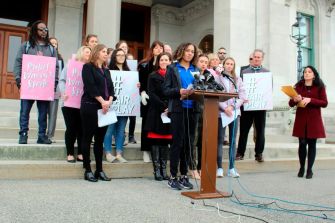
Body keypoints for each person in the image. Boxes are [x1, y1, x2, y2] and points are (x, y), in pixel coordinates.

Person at [14, 20, 58, 144]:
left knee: (43, 113)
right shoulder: (26, 46)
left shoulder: (51, 49)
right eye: (41, 29)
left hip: (44, 87)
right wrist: (18, 80)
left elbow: (55, 67)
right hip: (28, 85)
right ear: (35, 30)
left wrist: (53, 83)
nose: (44, 32)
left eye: (46, 29)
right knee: (24, 111)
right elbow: (18, 62)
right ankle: (23, 134)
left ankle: (41, 136)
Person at [163, 42, 199, 190]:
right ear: (182, 51)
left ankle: (184, 176)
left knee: (188, 145)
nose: (190, 53)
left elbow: (199, 88)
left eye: (192, 51)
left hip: (192, 109)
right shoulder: (172, 68)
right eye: (187, 50)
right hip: (178, 109)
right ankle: (172, 177)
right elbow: (165, 90)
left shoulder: (195, 70)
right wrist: (179, 92)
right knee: (177, 143)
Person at [81, 44, 115, 182]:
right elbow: (91, 87)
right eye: (103, 51)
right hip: (90, 107)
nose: (106, 54)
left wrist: (109, 101)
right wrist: (102, 101)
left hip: (105, 108)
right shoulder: (88, 67)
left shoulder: (106, 71)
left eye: (107, 52)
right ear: (96, 53)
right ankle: (87, 170)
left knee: (100, 140)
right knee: (87, 138)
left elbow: (111, 88)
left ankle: (99, 170)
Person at [289, 66, 327, 179]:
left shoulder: (320, 87)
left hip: (314, 120)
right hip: (301, 119)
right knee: (301, 144)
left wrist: (311, 100)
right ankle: (301, 167)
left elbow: (324, 103)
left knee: (312, 145)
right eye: (305, 72)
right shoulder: (298, 86)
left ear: (314, 75)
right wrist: (294, 100)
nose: (306, 73)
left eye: (309, 72)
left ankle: (309, 169)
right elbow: (290, 103)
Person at [214, 57, 246, 178]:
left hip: (234, 113)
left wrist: (232, 107)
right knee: (220, 140)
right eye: (227, 63)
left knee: (233, 140)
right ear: (223, 65)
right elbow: (215, 95)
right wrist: (224, 108)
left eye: (231, 64)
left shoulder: (237, 79)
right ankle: (220, 168)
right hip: (221, 113)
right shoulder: (217, 78)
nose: (229, 66)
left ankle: (232, 168)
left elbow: (242, 96)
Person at [236, 49, 269, 162]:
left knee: (260, 131)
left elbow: (269, 90)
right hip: (247, 106)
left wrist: (266, 101)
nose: (256, 59)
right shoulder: (244, 72)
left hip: (260, 106)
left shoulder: (266, 72)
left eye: (259, 57)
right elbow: (240, 88)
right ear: (252, 57)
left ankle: (259, 153)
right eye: (255, 57)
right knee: (244, 131)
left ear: (262, 59)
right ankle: (240, 153)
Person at [59, 46, 91, 162]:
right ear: (81, 52)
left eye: (90, 53)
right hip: (68, 102)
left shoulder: (89, 67)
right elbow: (62, 80)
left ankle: (81, 153)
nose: (89, 54)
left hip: (83, 103)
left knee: (82, 128)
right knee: (71, 127)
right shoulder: (71, 65)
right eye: (87, 52)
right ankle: (70, 153)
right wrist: (63, 92)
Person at [144, 52, 172, 181]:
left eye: (166, 60)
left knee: (165, 141)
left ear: (170, 62)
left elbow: (175, 92)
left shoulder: (173, 76)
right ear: (158, 62)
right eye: (162, 60)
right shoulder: (152, 76)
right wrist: (163, 106)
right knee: (156, 140)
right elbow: (152, 93)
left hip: (169, 111)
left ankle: (164, 170)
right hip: (156, 111)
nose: (164, 62)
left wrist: (169, 106)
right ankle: (157, 171)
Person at [103, 48, 133, 163]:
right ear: (114, 57)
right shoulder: (108, 70)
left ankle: (119, 153)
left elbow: (131, 88)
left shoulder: (129, 71)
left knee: (121, 130)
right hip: (112, 105)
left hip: (124, 105)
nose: (121, 57)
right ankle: (108, 153)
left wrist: (137, 85)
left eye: (123, 55)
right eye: (118, 55)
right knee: (109, 130)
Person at [138, 41, 164, 162]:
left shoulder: (164, 65)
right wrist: (142, 92)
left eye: (161, 48)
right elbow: (141, 82)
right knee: (146, 126)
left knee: (158, 126)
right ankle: (145, 151)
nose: (158, 50)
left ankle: (156, 151)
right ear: (152, 50)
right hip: (147, 99)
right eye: (156, 47)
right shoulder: (145, 65)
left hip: (160, 101)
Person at [115, 40, 136, 144]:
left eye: (126, 48)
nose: (124, 49)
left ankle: (127, 137)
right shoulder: (112, 66)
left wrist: (136, 84)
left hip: (126, 98)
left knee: (126, 120)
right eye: (122, 47)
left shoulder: (129, 66)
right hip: (115, 98)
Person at [192, 54, 209, 180]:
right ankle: (192, 168)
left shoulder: (209, 76)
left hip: (207, 111)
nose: (203, 64)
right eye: (201, 61)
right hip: (194, 110)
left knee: (203, 142)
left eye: (205, 62)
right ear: (197, 62)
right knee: (194, 140)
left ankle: (201, 167)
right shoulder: (193, 74)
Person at [47, 37, 64, 142]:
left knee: (53, 113)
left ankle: (50, 135)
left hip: (56, 89)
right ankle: (42, 133)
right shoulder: (43, 56)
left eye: (55, 44)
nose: (54, 45)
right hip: (44, 88)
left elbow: (62, 75)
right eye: (51, 43)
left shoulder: (60, 58)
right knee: (44, 112)